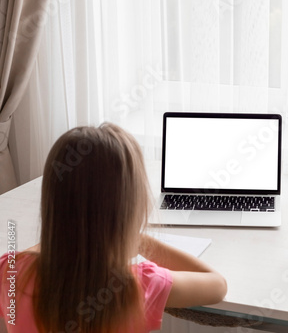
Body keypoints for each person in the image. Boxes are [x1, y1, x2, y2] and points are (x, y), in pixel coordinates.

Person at [0, 123, 227, 332]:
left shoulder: (10, 271)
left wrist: (65, 233)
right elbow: (218, 285)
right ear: (129, 210)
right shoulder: (138, 285)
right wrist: (137, 240)